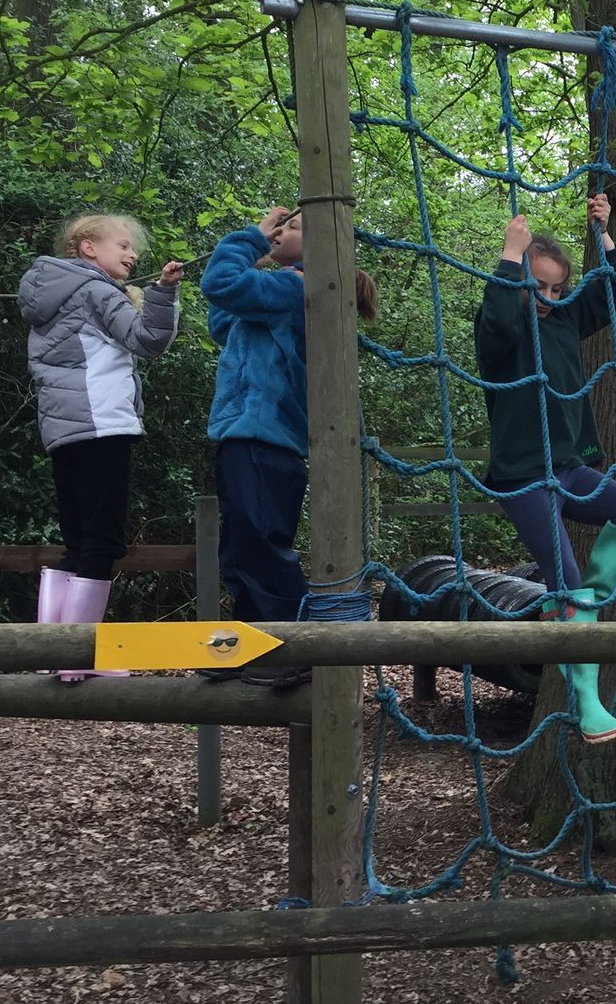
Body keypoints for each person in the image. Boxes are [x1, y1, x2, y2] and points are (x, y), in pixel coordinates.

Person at [476, 194, 616, 745]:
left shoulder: (563, 322)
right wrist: (511, 256)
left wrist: (604, 232)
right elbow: (502, 320)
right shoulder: (501, 329)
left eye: (557, 288)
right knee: (565, 579)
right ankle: (588, 704)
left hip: (571, 470)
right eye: (539, 286)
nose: (547, 298)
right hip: (524, 478)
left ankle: (586, 607)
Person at [203, 205, 376, 690]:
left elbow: (219, 285)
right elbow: (224, 321)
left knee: (261, 544)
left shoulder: (300, 287)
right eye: (281, 225)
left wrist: (252, 238)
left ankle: (295, 647)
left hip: (266, 436)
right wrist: (253, 263)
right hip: (242, 432)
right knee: (238, 551)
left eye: (293, 227)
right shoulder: (276, 292)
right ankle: (247, 647)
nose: (280, 230)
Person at [20, 214, 184, 680]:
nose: (133, 256)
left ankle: (51, 656)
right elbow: (147, 341)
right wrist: (165, 293)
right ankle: (78, 659)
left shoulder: (51, 295)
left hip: (64, 431)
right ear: (88, 248)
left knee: (78, 538)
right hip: (102, 424)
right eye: (125, 246)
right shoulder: (94, 291)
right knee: (103, 541)